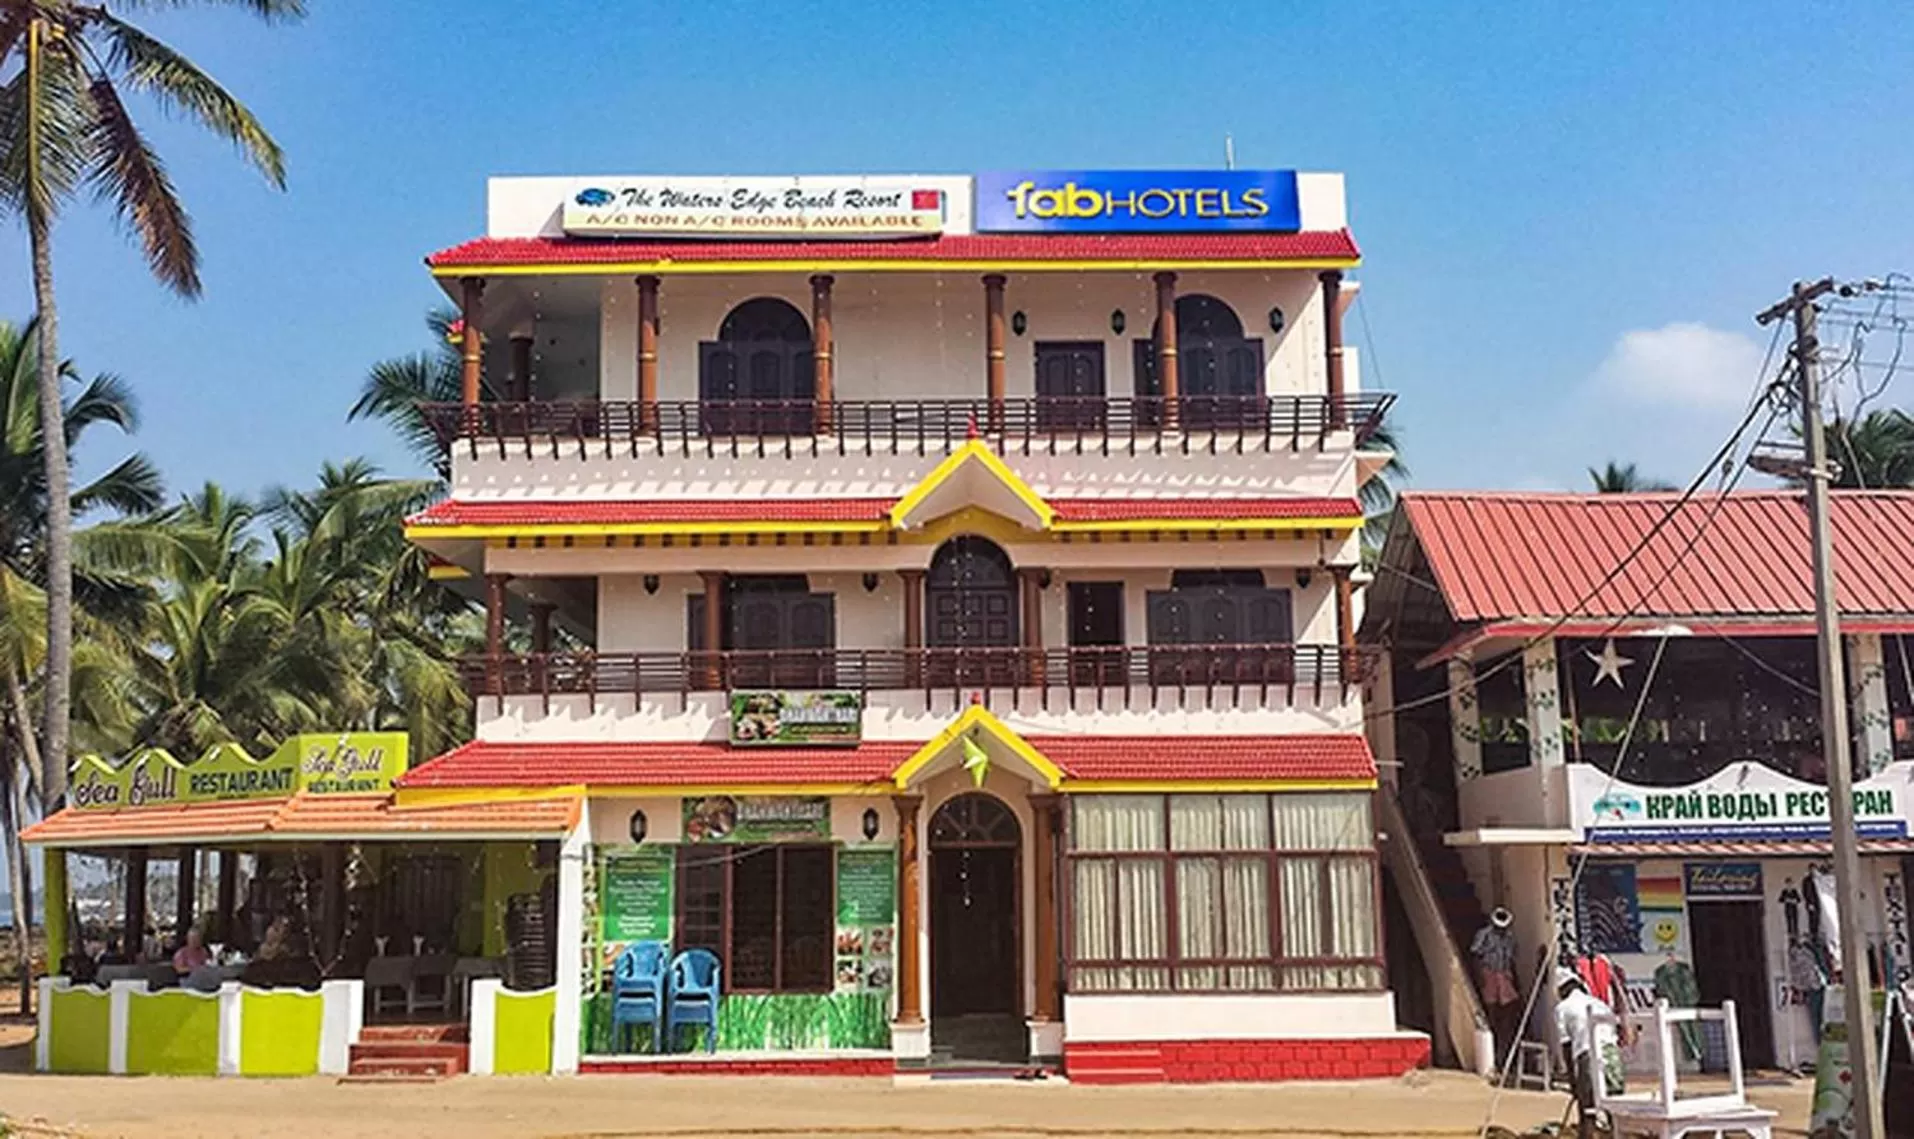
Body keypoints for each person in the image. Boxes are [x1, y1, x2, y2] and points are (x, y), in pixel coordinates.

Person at [1555, 967, 1623, 1139]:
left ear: (1563, 990)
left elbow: (1567, 1047)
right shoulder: (1599, 1003)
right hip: (1611, 1055)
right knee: (1614, 1109)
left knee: (1587, 1112)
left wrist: (1573, 1082)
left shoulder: (1562, 1008)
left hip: (1588, 1055)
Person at [1471, 907, 1521, 1069]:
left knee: (1508, 1011)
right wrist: (1480, 978)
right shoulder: (1484, 934)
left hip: (1504, 974)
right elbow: (1476, 955)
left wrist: (1515, 980)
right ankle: (1494, 1050)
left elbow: (1512, 960)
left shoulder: (1510, 937)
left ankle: (1503, 1049)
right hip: (1490, 973)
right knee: (1491, 1010)